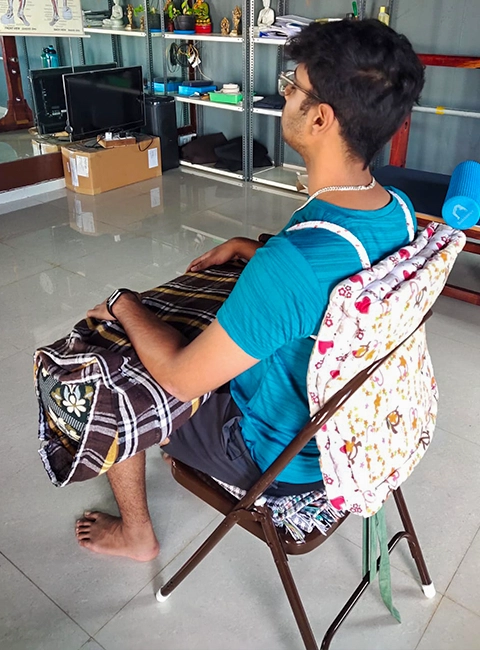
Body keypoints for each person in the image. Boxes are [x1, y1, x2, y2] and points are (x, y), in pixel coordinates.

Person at [75, 19, 425, 561]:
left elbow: (179, 376)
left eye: (293, 86)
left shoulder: (293, 263)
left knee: (111, 358)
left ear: (320, 118)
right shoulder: (397, 210)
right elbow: (324, 285)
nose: (285, 95)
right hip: (351, 432)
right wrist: (253, 249)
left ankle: (138, 533)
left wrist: (125, 304)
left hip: (277, 460)